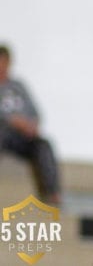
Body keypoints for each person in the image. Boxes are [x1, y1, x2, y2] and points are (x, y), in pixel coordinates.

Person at [0, 44, 61, 205]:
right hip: (3, 132)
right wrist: (12, 121)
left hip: (22, 136)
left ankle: (52, 193)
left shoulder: (19, 87)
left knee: (44, 145)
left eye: (4, 62)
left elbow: (35, 112)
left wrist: (31, 125)